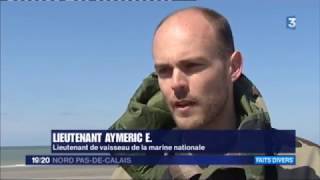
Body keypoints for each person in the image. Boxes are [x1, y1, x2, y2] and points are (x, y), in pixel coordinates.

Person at [110, 7, 320, 180]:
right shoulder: (131, 174)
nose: (176, 84)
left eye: (192, 65)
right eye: (163, 71)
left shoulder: (305, 167)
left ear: (233, 67)